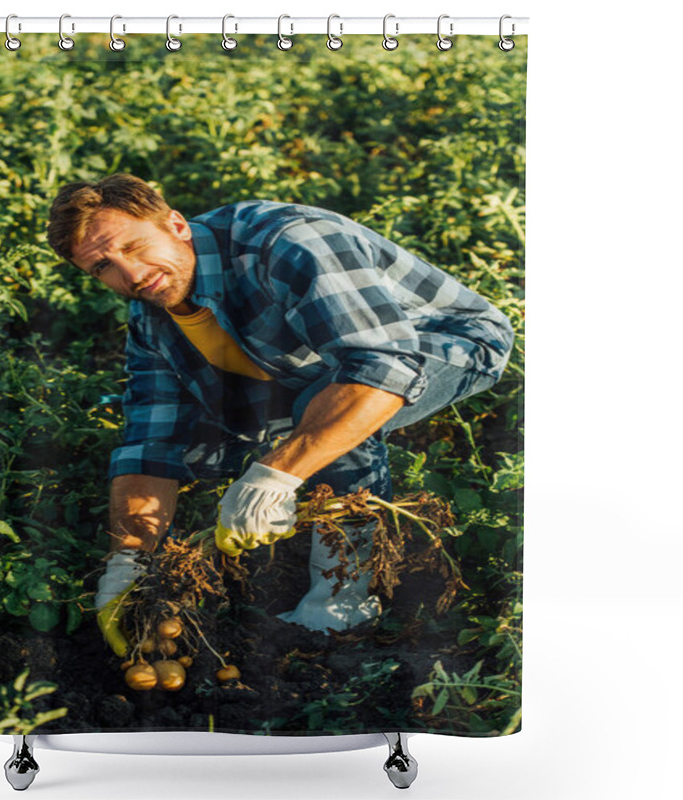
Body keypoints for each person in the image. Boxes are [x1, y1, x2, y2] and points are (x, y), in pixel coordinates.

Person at [47, 174, 514, 656]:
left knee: (323, 400)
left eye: (135, 245)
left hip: (437, 343)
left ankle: (342, 601)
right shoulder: (152, 317)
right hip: (298, 367)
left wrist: (275, 475)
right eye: (104, 266)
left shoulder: (286, 243)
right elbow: (151, 440)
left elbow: (383, 365)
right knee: (205, 452)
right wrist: (129, 558)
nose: (133, 275)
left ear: (177, 225)